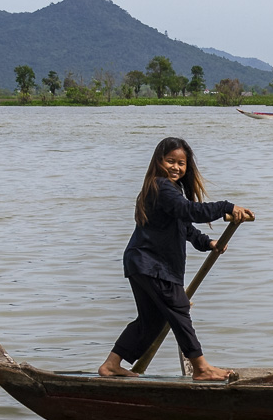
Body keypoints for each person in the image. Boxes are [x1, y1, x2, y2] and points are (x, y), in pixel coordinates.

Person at [99, 137, 253, 380]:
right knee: (178, 309)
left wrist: (207, 242)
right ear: (158, 161)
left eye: (181, 163)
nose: (176, 167)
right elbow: (189, 211)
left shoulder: (170, 190)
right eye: (170, 161)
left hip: (141, 262)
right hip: (151, 264)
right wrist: (227, 206)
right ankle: (201, 368)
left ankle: (111, 365)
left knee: (152, 321)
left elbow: (184, 225)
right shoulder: (160, 186)